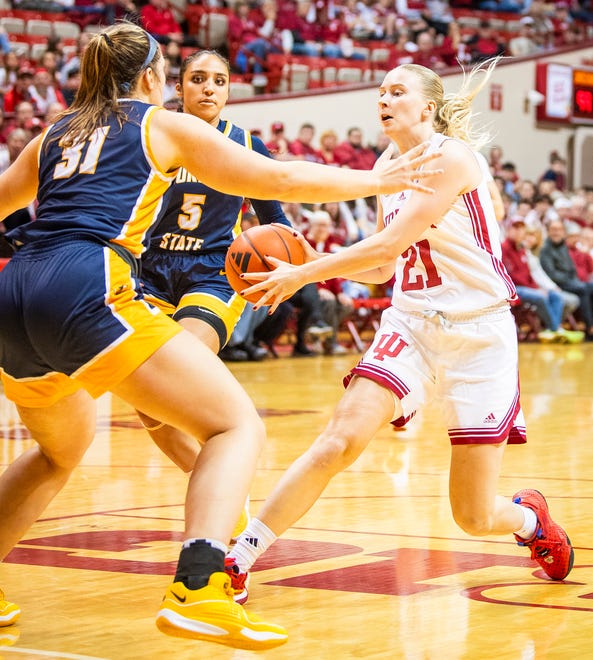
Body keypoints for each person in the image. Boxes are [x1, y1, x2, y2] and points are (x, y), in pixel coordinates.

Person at [0, 22, 442, 649]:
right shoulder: (161, 124)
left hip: (15, 291)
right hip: (87, 283)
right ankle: (201, 588)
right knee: (235, 424)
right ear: (156, 78)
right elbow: (280, 182)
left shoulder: (54, 135)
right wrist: (385, 180)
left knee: (57, 452)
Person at [225, 59, 574, 605]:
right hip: (411, 321)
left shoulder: (451, 159)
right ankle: (239, 558)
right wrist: (316, 261)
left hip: (478, 334)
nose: (383, 99)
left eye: (396, 91)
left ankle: (529, 521)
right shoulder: (387, 165)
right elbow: (386, 269)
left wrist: (305, 272)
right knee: (337, 440)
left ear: (428, 106)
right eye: (380, 91)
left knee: (474, 514)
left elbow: (387, 246)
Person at [137, 48, 291, 473]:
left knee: (177, 362)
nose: (209, 88)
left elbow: (274, 221)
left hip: (212, 273)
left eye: (219, 81)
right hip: (145, 274)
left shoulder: (244, 145)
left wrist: (291, 270)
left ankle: (226, 450)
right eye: (199, 79)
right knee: (149, 407)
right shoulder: (151, 135)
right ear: (179, 86)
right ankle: (217, 495)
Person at [501, 218, 583, 343]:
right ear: (508, 230)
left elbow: (529, 275)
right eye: (515, 228)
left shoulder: (522, 250)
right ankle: (555, 329)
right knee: (541, 296)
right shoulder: (503, 248)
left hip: (528, 287)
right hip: (513, 289)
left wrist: (539, 288)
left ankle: (551, 329)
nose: (518, 231)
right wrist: (536, 289)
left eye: (521, 228)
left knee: (556, 296)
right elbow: (511, 276)